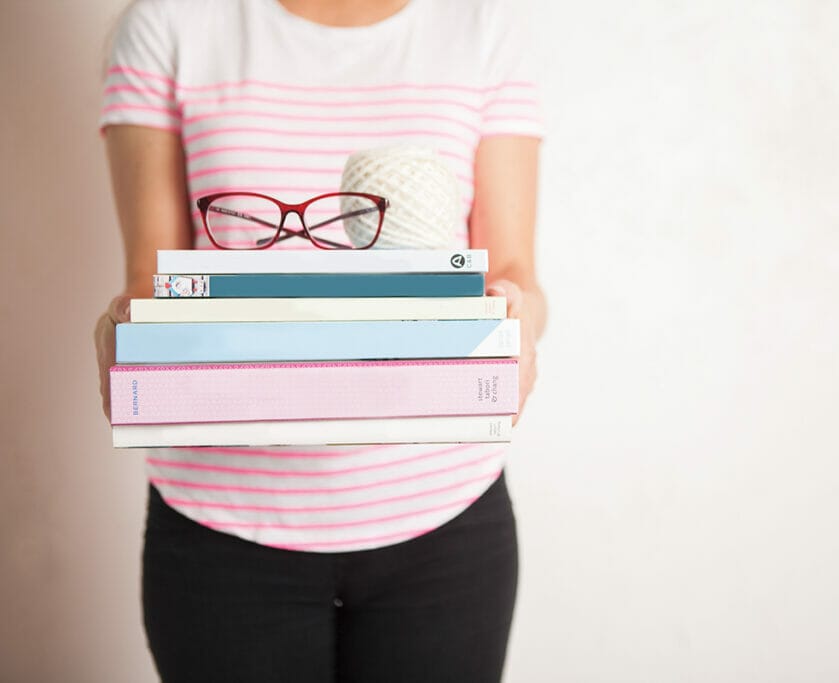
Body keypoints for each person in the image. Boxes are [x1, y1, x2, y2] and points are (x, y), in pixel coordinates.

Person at [93, 0, 546, 680]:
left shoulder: (481, 25)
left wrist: (517, 325)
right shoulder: (169, 22)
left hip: (443, 519)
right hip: (221, 524)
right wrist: (128, 334)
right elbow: (155, 283)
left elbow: (511, 273)